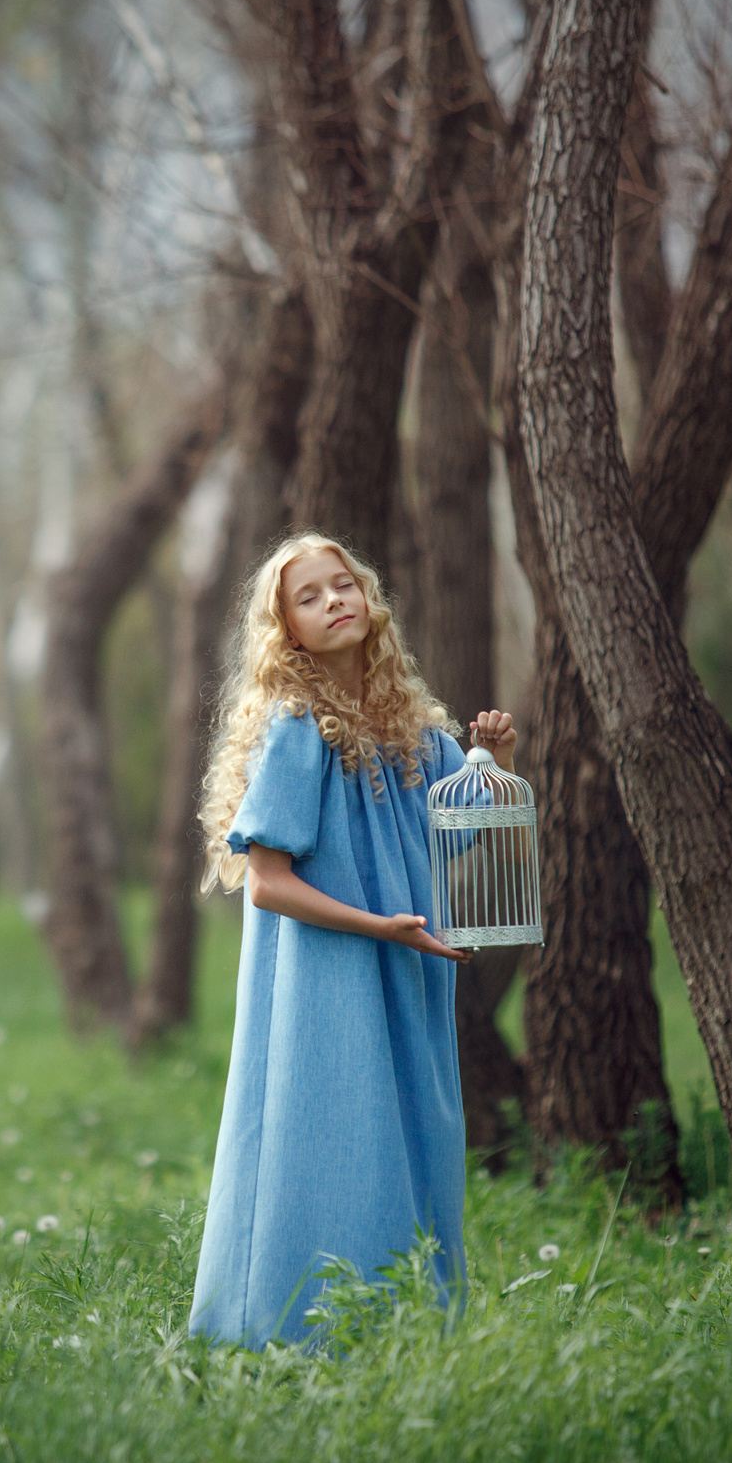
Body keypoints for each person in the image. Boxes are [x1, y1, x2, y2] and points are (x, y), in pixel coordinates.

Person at [188, 532, 516, 1349]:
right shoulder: (300, 730)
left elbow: (454, 839)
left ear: (369, 601)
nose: (336, 599)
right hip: (324, 982)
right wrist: (381, 926)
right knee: (330, 1143)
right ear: (286, 631)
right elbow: (267, 882)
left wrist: (497, 762)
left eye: (345, 585)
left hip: (405, 975)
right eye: (311, 595)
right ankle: (294, 1334)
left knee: (413, 1141)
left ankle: (404, 1334)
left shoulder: (416, 734)